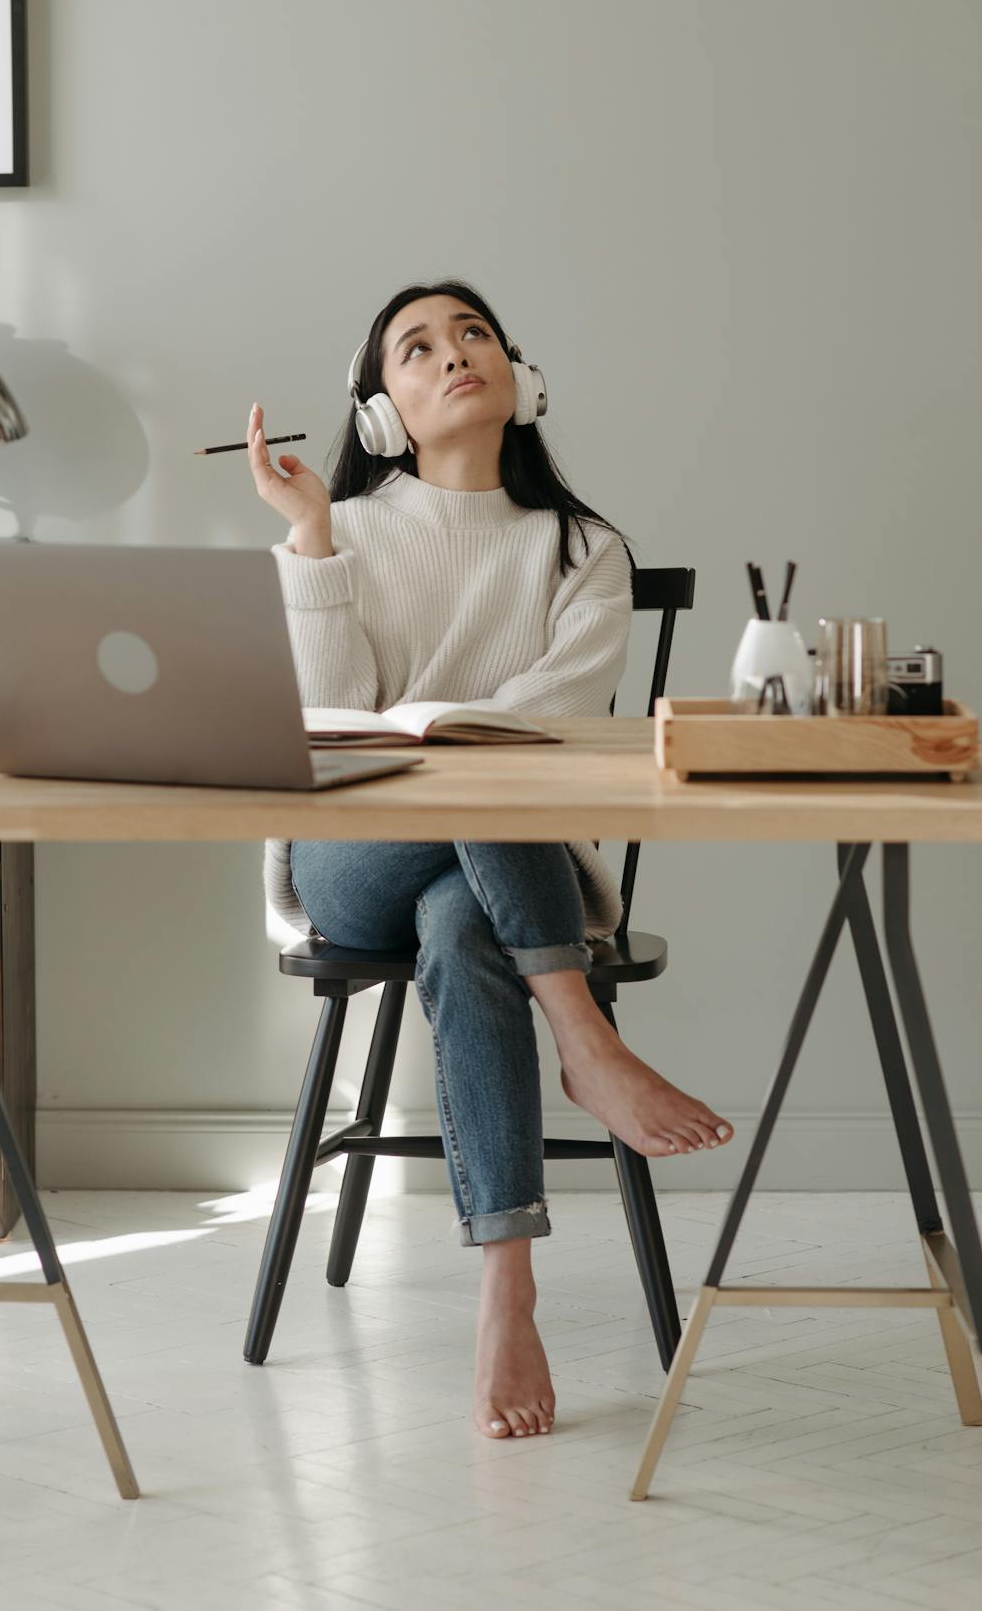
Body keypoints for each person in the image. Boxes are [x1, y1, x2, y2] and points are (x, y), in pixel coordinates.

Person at [249, 278, 733, 1444]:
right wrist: (311, 538)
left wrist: (439, 732)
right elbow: (323, 727)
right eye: (416, 348)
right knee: (474, 804)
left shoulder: (580, 548)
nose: (453, 353)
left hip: (505, 870)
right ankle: (586, 1040)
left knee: (467, 917)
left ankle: (505, 1292)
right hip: (352, 859)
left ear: (518, 374)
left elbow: (548, 735)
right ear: (381, 414)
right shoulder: (343, 533)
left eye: (472, 334)